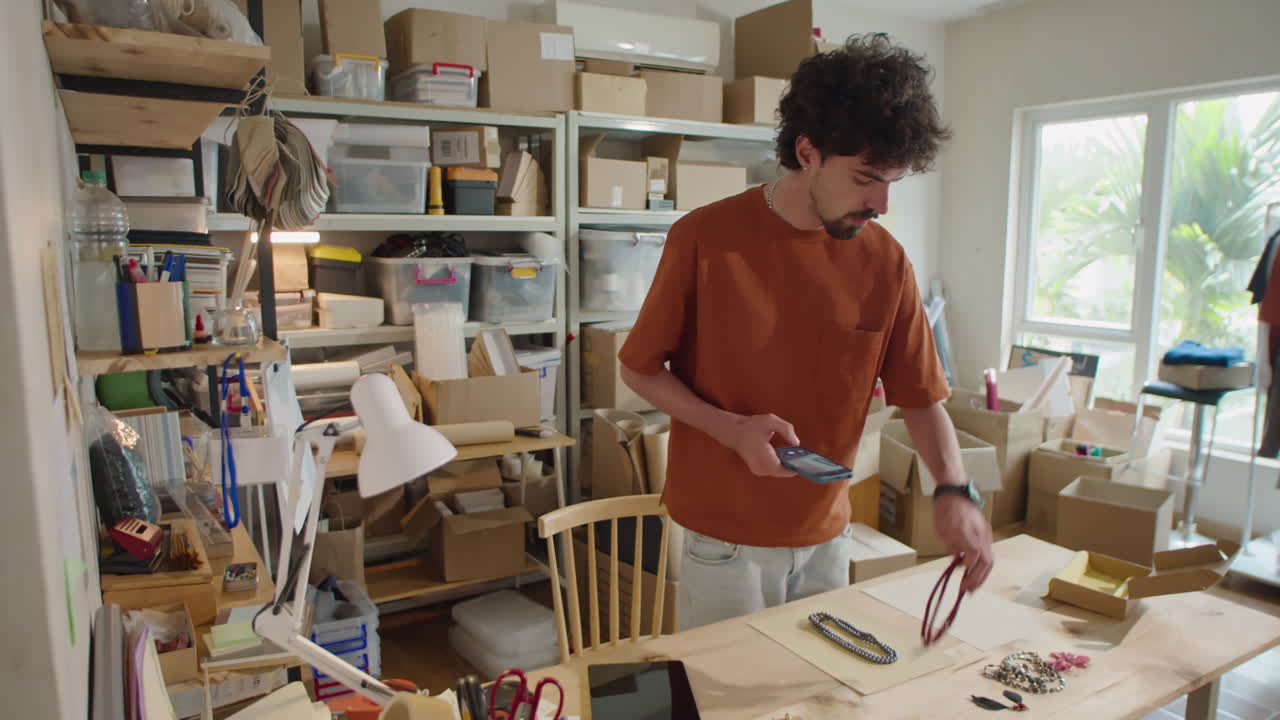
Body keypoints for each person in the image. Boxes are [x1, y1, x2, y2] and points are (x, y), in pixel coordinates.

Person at [617, 33, 994, 630]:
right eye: (865, 177)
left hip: (828, 537)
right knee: (727, 686)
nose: (882, 203)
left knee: (814, 683)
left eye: (892, 181)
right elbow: (638, 368)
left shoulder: (886, 261)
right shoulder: (705, 239)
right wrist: (731, 429)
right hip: (725, 541)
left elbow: (922, 398)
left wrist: (954, 491)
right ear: (807, 151)